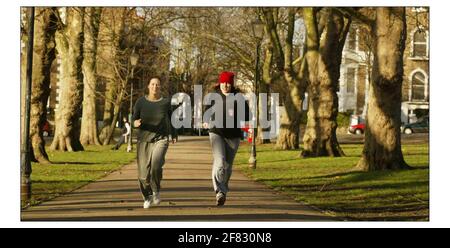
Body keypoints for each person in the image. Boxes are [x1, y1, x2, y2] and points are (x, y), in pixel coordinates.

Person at [204, 71, 249, 206]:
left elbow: (247, 115)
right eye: (223, 83)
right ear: (220, 83)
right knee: (220, 161)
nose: (225, 85)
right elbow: (206, 111)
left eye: (228, 83)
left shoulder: (239, 97)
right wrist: (206, 121)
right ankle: (219, 191)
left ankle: (222, 191)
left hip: (233, 135)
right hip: (216, 132)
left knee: (227, 167)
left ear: (232, 84)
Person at [132, 77, 177, 209]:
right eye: (152, 84)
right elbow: (134, 119)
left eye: (157, 85)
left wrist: (173, 134)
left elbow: (172, 119)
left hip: (160, 139)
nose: (155, 87)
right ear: (148, 86)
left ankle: (156, 190)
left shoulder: (165, 102)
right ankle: (147, 196)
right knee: (142, 174)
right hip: (143, 140)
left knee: (156, 166)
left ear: (160, 87)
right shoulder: (140, 102)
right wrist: (135, 123)